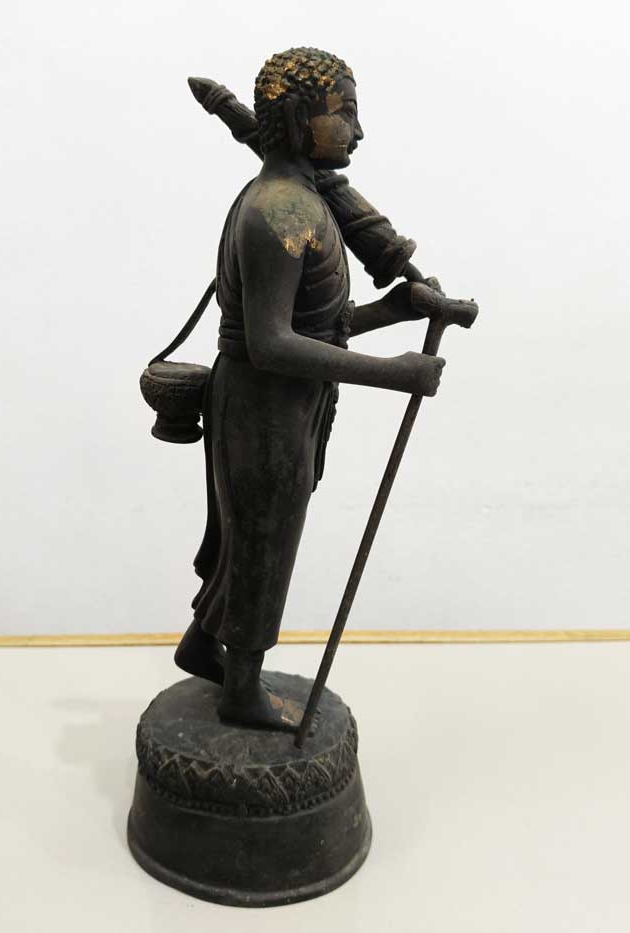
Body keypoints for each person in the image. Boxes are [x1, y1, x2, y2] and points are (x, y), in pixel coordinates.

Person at [174, 47, 458, 730]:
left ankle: (203, 645)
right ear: (302, 119)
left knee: (253, 535)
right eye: (346, 113)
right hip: (263, 407)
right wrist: (395, 372)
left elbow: (316, 328)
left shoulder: (306, 203)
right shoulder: (278, 212)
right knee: (264, 542)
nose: (358, 131)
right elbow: (272, 344)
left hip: (286, 404)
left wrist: (395, 309)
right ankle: (242, 691)